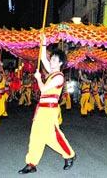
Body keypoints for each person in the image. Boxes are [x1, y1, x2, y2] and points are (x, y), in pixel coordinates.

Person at [18, 37, 76, 174]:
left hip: (49, 109)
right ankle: (31, 163)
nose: (52, 60)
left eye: (55, 59)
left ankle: (70, 154)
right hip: (42, 108)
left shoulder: (59, 77)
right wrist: (43, 43)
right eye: (52, 58)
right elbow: (43, 57)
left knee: (53, 135)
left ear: (61, 63)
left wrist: (38, 79)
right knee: (37, 135)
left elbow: (43, 89)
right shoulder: (51, 72)